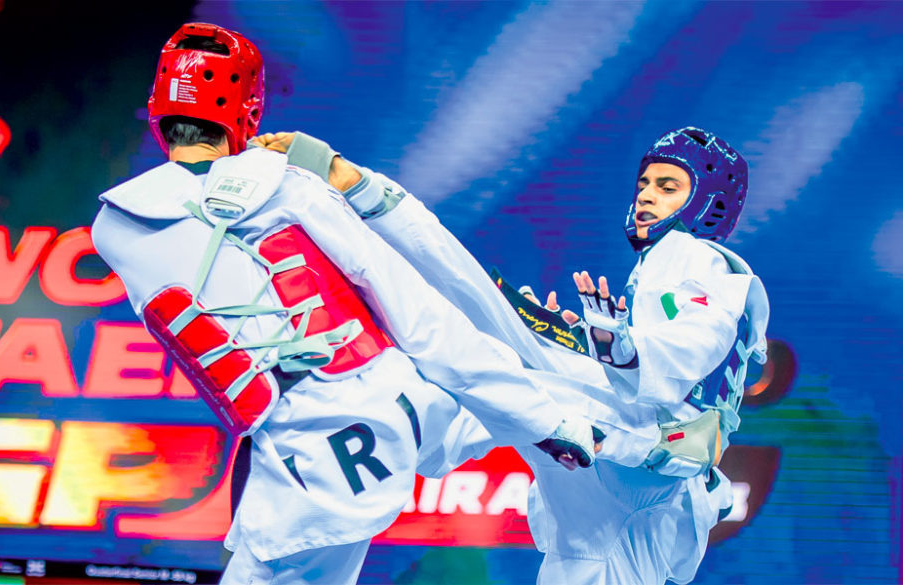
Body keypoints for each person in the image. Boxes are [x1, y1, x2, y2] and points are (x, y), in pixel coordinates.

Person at [90, 23, 658, 585]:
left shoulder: (114, 228)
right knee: (529, 379)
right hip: (406, 399)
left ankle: (618, 422)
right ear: (247, 108)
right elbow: (418, 314)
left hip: (323, 455)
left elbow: (196, 204)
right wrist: (543, 420)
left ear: (159, 108)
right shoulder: (290, 185)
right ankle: (637, 423)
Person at [254, 126, 768, 584]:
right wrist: (593, 342)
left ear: (708, 205)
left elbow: (695, 342)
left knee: (479, 324)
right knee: (482, 327)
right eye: (644, 184)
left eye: (668, 187)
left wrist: (624, 350)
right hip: (627, 464)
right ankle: (356, 192)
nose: (646, 197)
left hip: (642, 447)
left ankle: (353, 194)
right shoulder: (671, 263)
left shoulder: (698, 259)